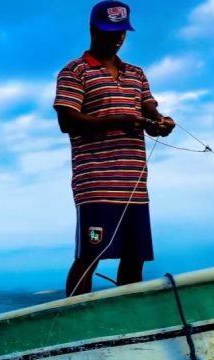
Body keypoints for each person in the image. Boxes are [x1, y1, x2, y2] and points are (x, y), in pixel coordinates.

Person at [54, 0, 176, 297]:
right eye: (111, 31)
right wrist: (114, 120)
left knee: (134, 258)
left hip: (134, 184)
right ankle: (73, 323)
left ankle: (127, 325)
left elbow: (148, 111)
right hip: (96, 184)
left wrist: (160, 123)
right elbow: (67, 120)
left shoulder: (136, 73)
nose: (118, 37)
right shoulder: (75, 71)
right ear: (93, 29)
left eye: (122, 31)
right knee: (89, 256)